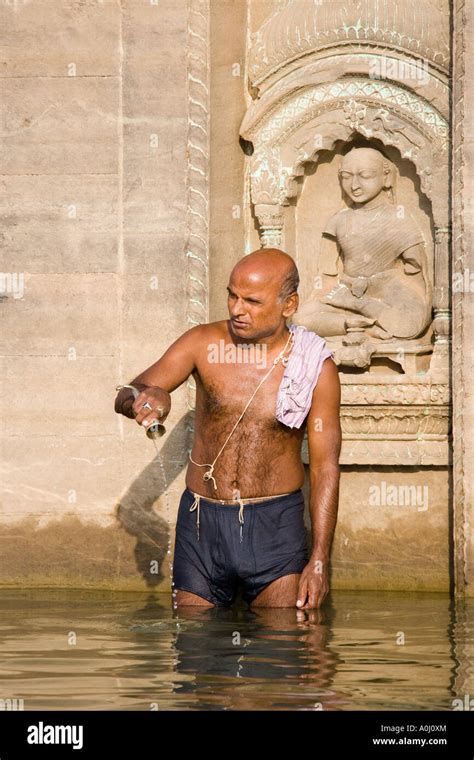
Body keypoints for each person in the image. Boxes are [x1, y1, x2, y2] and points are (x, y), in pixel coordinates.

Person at [114, 248, 341, 609]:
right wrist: (149, 395)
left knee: (280, 652)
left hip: (274, 528)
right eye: (232, 295)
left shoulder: (315, 367)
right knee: (195, 646)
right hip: (201, 524)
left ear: (289, 304)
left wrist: (319, 561)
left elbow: (326, 466)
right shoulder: (203, 343)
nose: (237, 309)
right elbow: (127, 394)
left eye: (252, 300)